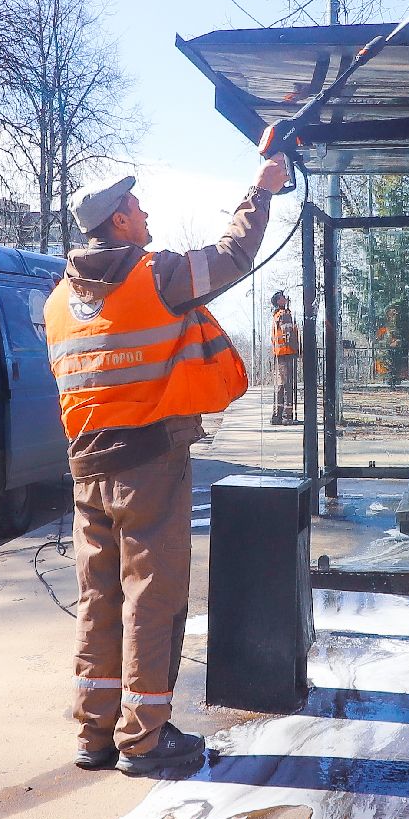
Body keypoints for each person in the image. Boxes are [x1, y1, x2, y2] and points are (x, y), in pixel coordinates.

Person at [44, 157, 289, 776]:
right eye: (139, 208)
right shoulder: (155, 275)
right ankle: (144, 738)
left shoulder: (59, 300)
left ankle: (95, 732)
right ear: (120, 222)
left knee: (98, 596)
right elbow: (232, 256)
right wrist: (260, 189)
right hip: (148, 462)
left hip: (85, 469)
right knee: (152, 598)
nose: (147, 214)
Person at [270, 290, 298, 425]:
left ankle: (277, 415)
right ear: (278, 301)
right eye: (283, 298)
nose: (285, 299)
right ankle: (287, 416)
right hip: (287, 353)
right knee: (288, 385)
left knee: (281, 384)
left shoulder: (276, 315)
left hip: (279, 353)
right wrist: (297, 350)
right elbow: (289, 335)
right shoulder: (285, 314)